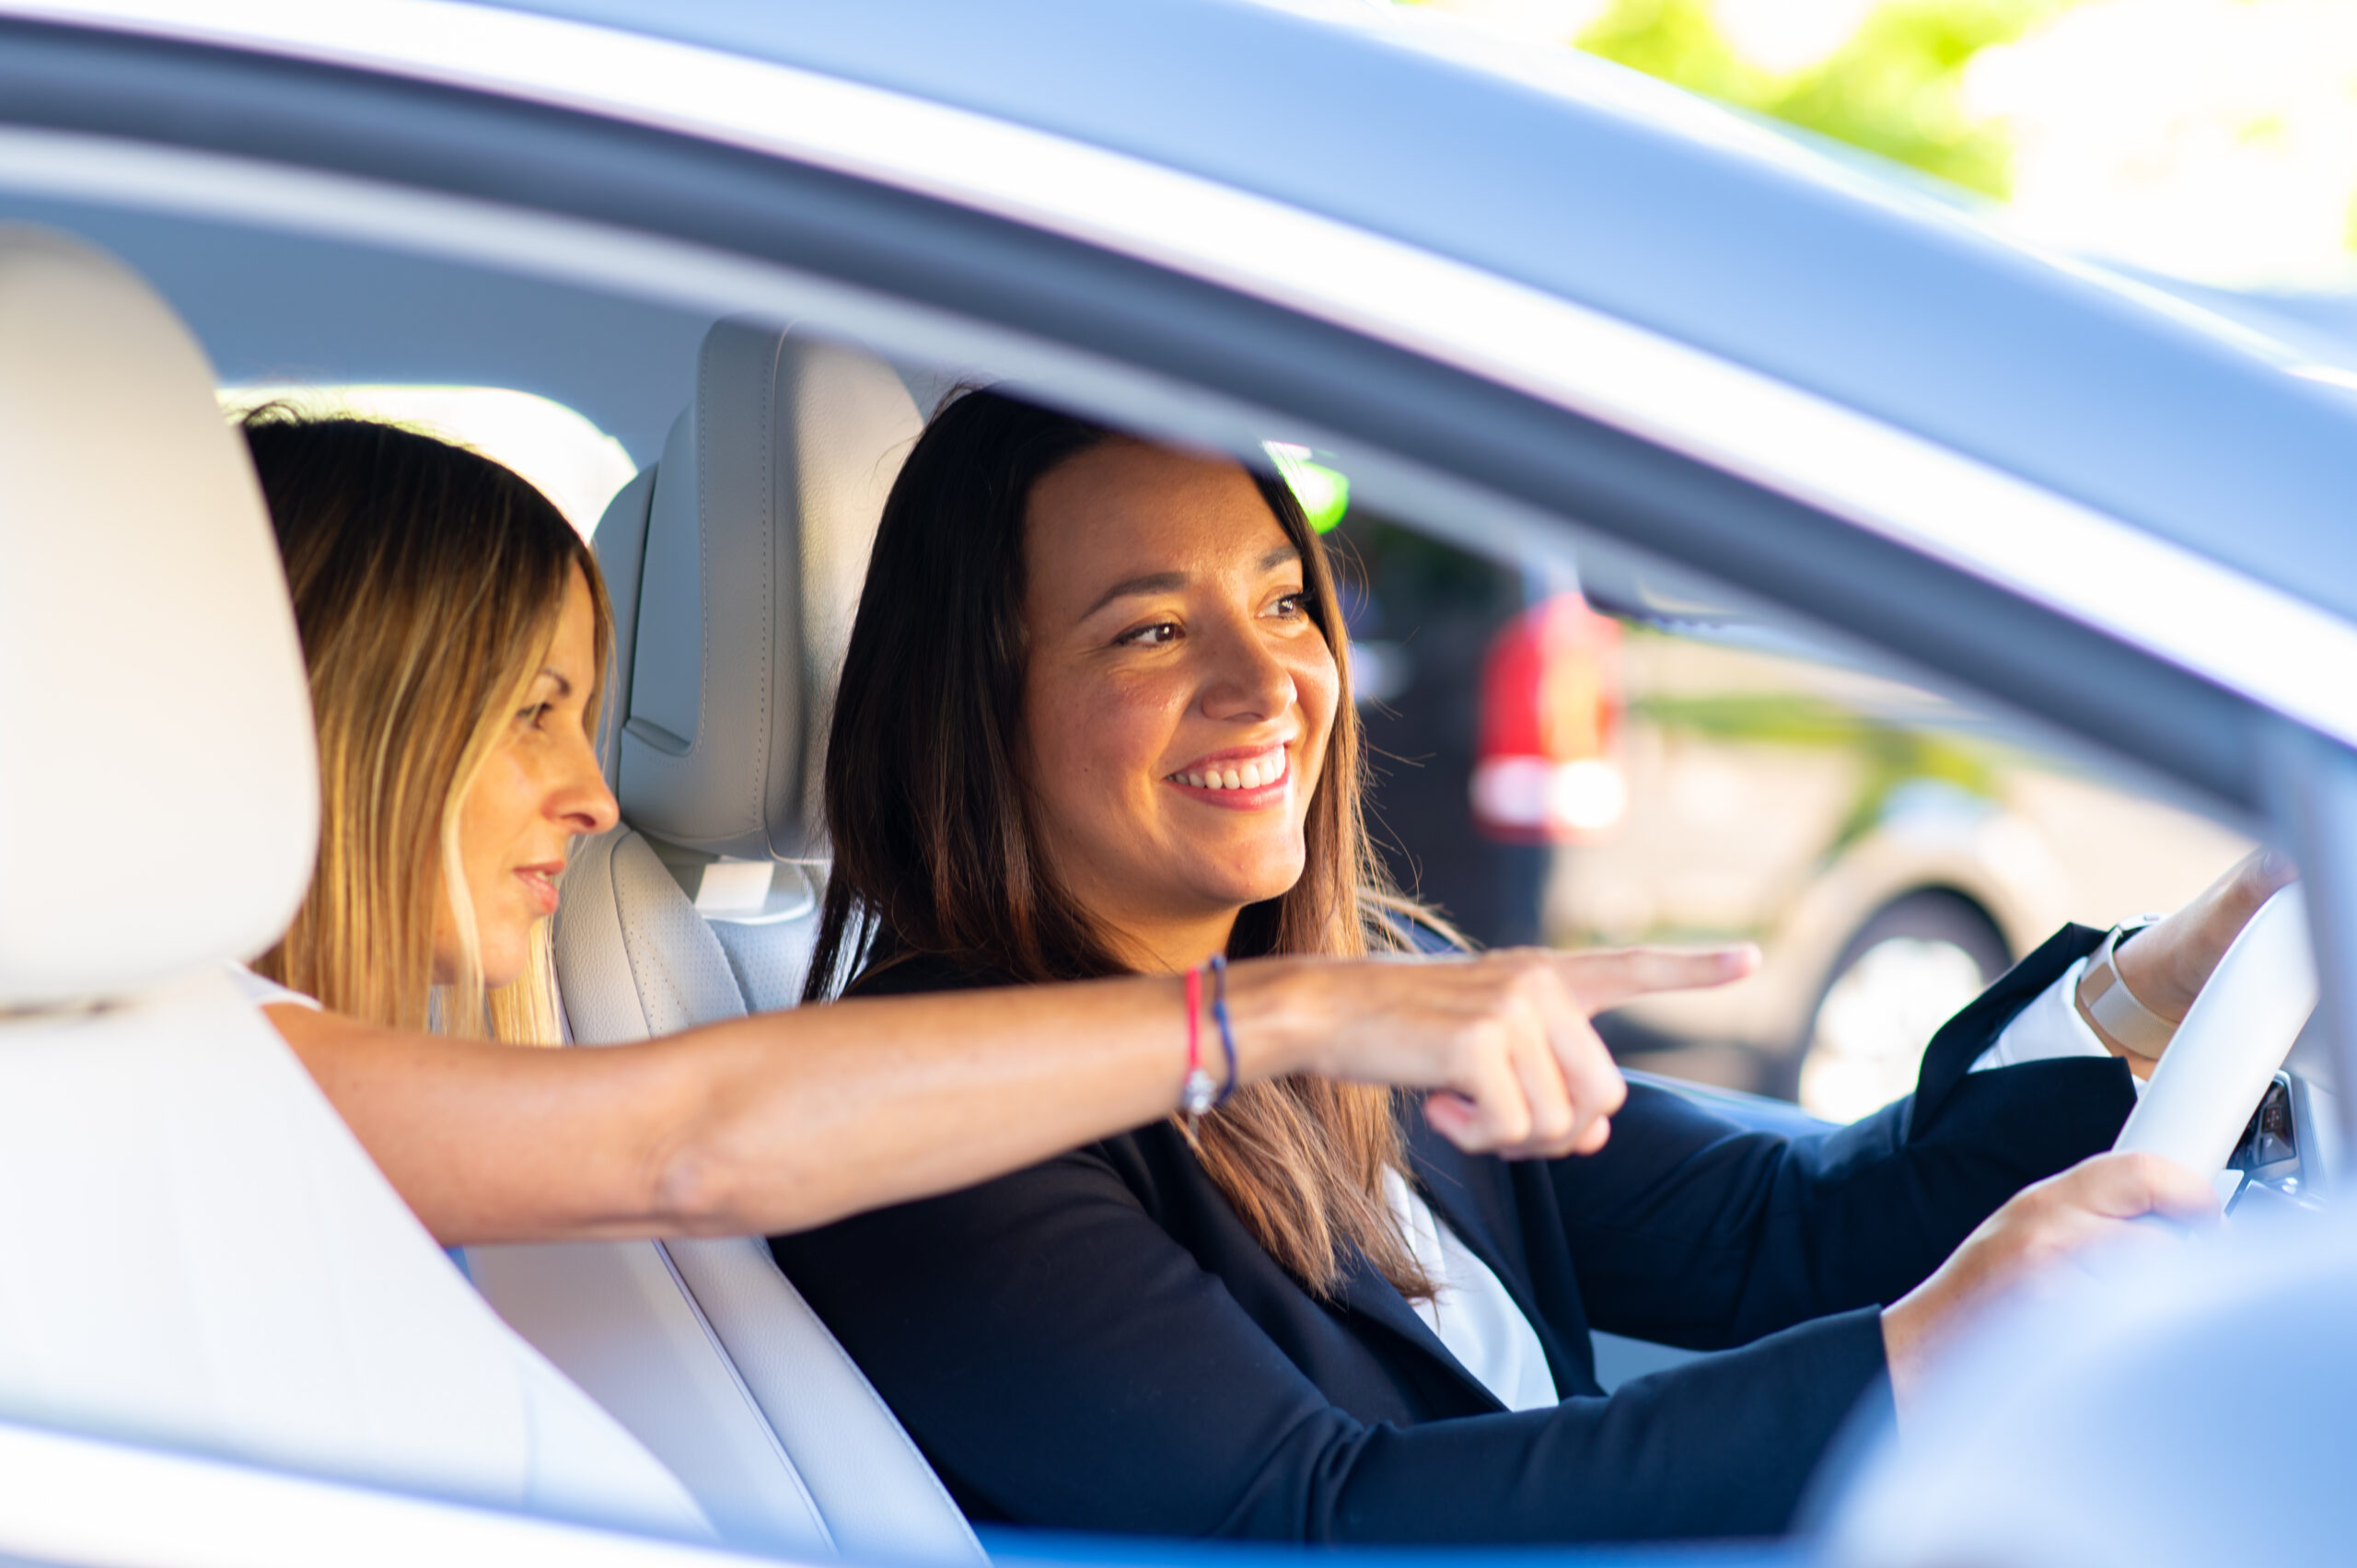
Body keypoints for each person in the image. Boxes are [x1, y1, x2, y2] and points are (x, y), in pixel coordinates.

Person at [770, 388, 2281, 1543]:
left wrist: (2153, 982)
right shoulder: (927, 1118)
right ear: (978, 706)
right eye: (1151, 632)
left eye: (1286, 599)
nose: (1267, 684)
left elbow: (1780, 1229)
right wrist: (1920, 1360)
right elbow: (1321, 1523)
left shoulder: (1376, 998)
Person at [234, 410, 1733, 1247]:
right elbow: (689, 1143)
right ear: (348, 724)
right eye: (528, 710)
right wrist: (1285, 1012)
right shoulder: (202, 1076)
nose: (599, 791)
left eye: (1287, 600)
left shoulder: (375, 1071)